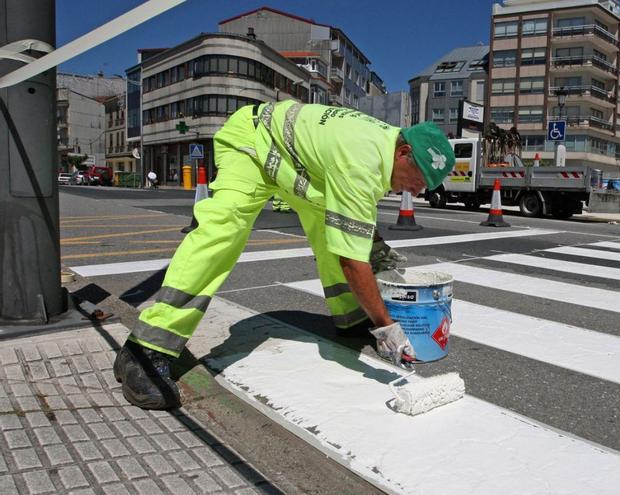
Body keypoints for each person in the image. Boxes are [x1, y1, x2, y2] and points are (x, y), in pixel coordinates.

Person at [113, 101, 455, 410]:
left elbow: (351, 236)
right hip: (253, 145)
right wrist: (387, 327)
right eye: (419, 179)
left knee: (331, 235)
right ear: (403, 152)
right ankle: (146, 348)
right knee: (223, 229)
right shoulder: (361, 161)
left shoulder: (381, 152)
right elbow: (353, 263)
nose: (418, 191)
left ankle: (352, 318)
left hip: (298, 167)